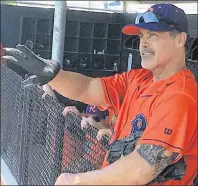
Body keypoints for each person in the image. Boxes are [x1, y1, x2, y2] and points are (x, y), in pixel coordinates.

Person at [2, 3, 197, 185]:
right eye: (141, 36)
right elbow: (87, 88)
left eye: (152, 35)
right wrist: (54, 76)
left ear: (180, 39)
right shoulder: (139, 78)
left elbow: (142, 168)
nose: (143, 44)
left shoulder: (180, 96)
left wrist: (78, 180)